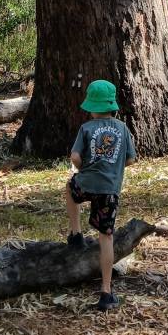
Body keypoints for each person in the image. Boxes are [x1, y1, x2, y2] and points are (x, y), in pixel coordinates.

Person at [65, 79, 137, 311]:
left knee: (69, 188)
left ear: (91, 106)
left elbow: (75, 157)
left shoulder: (86, 129)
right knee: (106, 237)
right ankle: (106, 292)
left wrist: (81, 164)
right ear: (112, 105)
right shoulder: (123, 128)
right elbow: (131, 159)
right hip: (109, 191)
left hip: (86, 182)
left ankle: (75, 233)